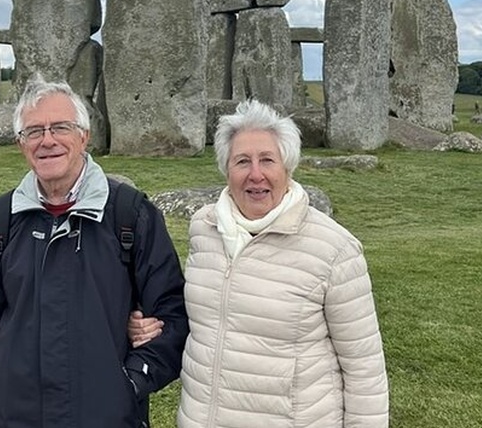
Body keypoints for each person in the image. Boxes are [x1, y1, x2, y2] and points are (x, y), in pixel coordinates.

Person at [130, 99, 389, 427]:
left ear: (287, 167)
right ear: (226, 169)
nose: (255, 175)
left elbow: (364, 370)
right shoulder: (205, 228)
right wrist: (145, 326)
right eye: (242, 161)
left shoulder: (334, 249)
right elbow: (205, 319)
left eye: (267, 160)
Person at [0, 78, 189, 428]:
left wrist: (131, 382)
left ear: (84, 135)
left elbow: (173, 315)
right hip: (15, 417)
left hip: (107, 417)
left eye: (60, 127)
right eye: (34, 131)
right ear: (22, 144)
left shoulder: (130, 214)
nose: (47, 140)